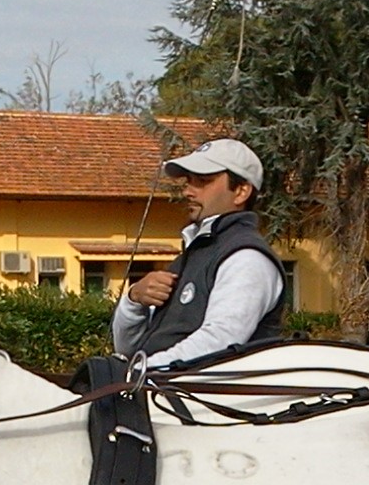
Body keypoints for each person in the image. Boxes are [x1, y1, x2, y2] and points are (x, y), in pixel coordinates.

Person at [112, 137, 288, 368]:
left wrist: (136, 374)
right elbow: (127, 349)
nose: (188, 191)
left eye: (203, 181)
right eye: (188, 181)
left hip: (200, 398)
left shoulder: (246, 257)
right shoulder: (193, 255)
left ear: (241, 191)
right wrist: (134, 300)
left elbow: (220, 341)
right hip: (162, 394)